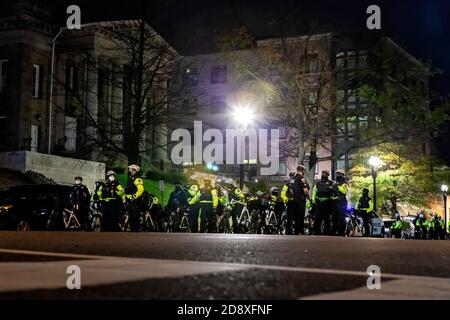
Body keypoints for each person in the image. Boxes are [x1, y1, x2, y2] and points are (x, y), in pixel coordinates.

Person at [285, 166, 310, 235]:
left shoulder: (292, 179)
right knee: (299, 217)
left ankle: (288, 231)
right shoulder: (301, 179)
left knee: (290, 217)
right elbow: (305, 190)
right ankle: (299, 231)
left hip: (291, 200)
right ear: (303, 171)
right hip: (299, 201)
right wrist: (308, 196)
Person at [312, 170, 334, 235]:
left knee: (327, 219)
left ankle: (327, 232)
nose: (323, 174)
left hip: (328, 203)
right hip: (319, 203)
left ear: (328, 175)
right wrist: (314, 201)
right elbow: (314, 193)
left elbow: (334, 192)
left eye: (325, 173)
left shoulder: (331, 183)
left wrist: (332, 200)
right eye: (322, 173)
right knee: (317, 218)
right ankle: (316, 232)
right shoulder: (317, 183)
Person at [124, 164, 145, 232]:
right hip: (130, 201)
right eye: (131, 171)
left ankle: (136, 231)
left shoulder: (138, 179)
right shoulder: (130, 179)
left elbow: (140, 190)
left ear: (136, 171)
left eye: (133, 171)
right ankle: (132, 230)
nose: (131, 172)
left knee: (135, 216)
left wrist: (134, 197)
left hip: (135, 201)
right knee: (131, 216)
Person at [332, 170, 349, 236]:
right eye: (337, 174)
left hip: (342, 202)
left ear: (342, 175)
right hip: (335, 202)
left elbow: (344, 191)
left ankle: (341, 232)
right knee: (334, 217)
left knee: (341, 217)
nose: (337, 175)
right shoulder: (335, 183)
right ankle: (334, 231)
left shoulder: (345, 183)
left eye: (339, 174)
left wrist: (338, 186)